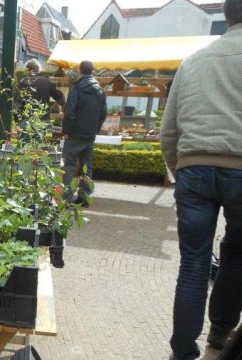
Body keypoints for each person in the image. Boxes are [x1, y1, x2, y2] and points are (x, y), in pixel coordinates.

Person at [161, 1, 242, 358]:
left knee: (193, 264)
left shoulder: (193, 61)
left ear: (226, 16)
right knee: (237, 256)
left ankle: (182, 349)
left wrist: (179, 170)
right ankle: (221, 332)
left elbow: (168, 130)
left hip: (193, 167)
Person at [61, 60, 106, 207]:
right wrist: (95, 130)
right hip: (89, 135)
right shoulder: (100, 90)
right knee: (87, 167)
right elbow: (103, 113)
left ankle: (66, 198)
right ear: (92, 71)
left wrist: (66, 131)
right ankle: (85, 197)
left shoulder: (77, 89)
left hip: (74, 134)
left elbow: (70, 112)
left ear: (80, 71)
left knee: (68, 165)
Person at [17, 59, 66, 142]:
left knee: (24, 145)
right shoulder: (46, 81)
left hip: (26, 119)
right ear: (38, 69)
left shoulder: (22, 82)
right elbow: (61, 99)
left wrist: (17, 120)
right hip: (42, 119)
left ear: (27, 69)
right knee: (39, 147)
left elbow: (17, 103)